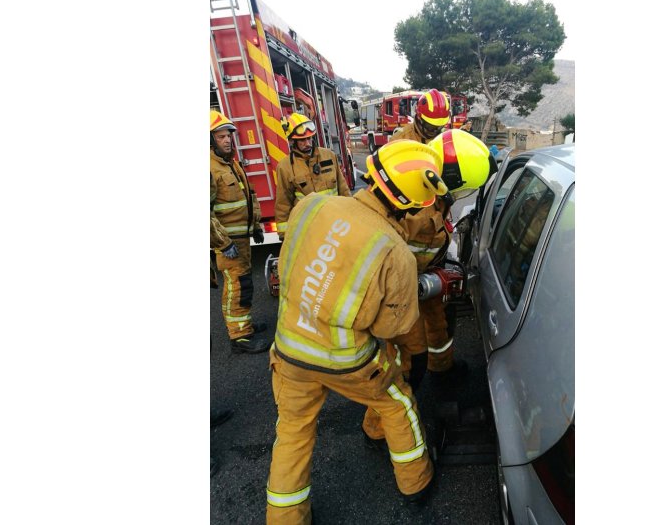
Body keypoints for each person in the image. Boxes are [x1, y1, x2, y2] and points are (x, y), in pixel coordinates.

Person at [264, 140, 448, 524]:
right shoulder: (394, 250)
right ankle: (416, 484)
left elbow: (288, 262)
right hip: (347, 361)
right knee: (397, 403)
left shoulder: (312, 204)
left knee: (293, 433)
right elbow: (391, 327)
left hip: (288, 350)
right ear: (413, 204)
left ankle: (285, 519)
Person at [362, 129, 492, 447]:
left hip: (425, 277)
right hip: (402, 291)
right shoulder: (414, 208)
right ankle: (377, 427)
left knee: (440, 323)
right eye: (463, 191)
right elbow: (383, 261)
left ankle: (442, 369)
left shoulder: (435, 199)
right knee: (403, 359)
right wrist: (420, 284)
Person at [210, 110, 269, 354]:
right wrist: (223, 243)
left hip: (241, 239)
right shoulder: (208, 168)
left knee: (244, 285)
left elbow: (249, 196)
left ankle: (244, 325)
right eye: (220, 136)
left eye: (228, 136)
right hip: (229, 243)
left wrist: (255, 226)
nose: (227, 140)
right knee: (237, 287)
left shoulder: (230, 164)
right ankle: (240, 337)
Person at [274, 112, 351, 240]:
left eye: (309, 138)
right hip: (308, 231)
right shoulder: (285, 167)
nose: (307, 143)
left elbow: (343, 189)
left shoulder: (329, 156)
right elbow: (283, 203)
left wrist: (351, 215)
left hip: (335, 225)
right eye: (302, 140)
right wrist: (285, 234)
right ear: (293, 141)